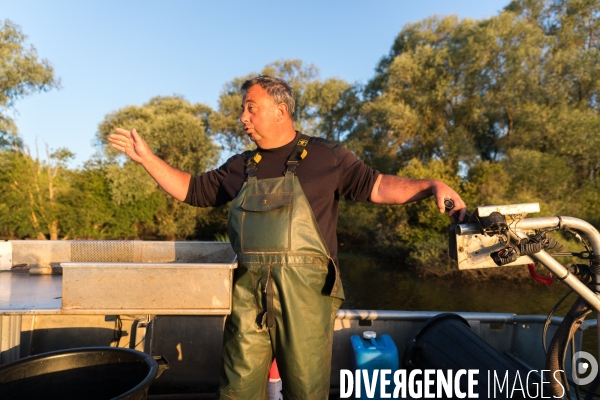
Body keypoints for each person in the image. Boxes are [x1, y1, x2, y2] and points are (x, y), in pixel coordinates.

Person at [109, 75, 466, 400]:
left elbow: (378, 185)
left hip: (306, 299)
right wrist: (147, 159)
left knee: (306, 392)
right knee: (235, 390)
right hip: (248, 298)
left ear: (281, 110)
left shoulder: (328, 157)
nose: (242, 117)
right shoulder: (239, 166)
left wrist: (431, 185)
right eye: (242, 110)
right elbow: (193, 190)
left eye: (251, 108)